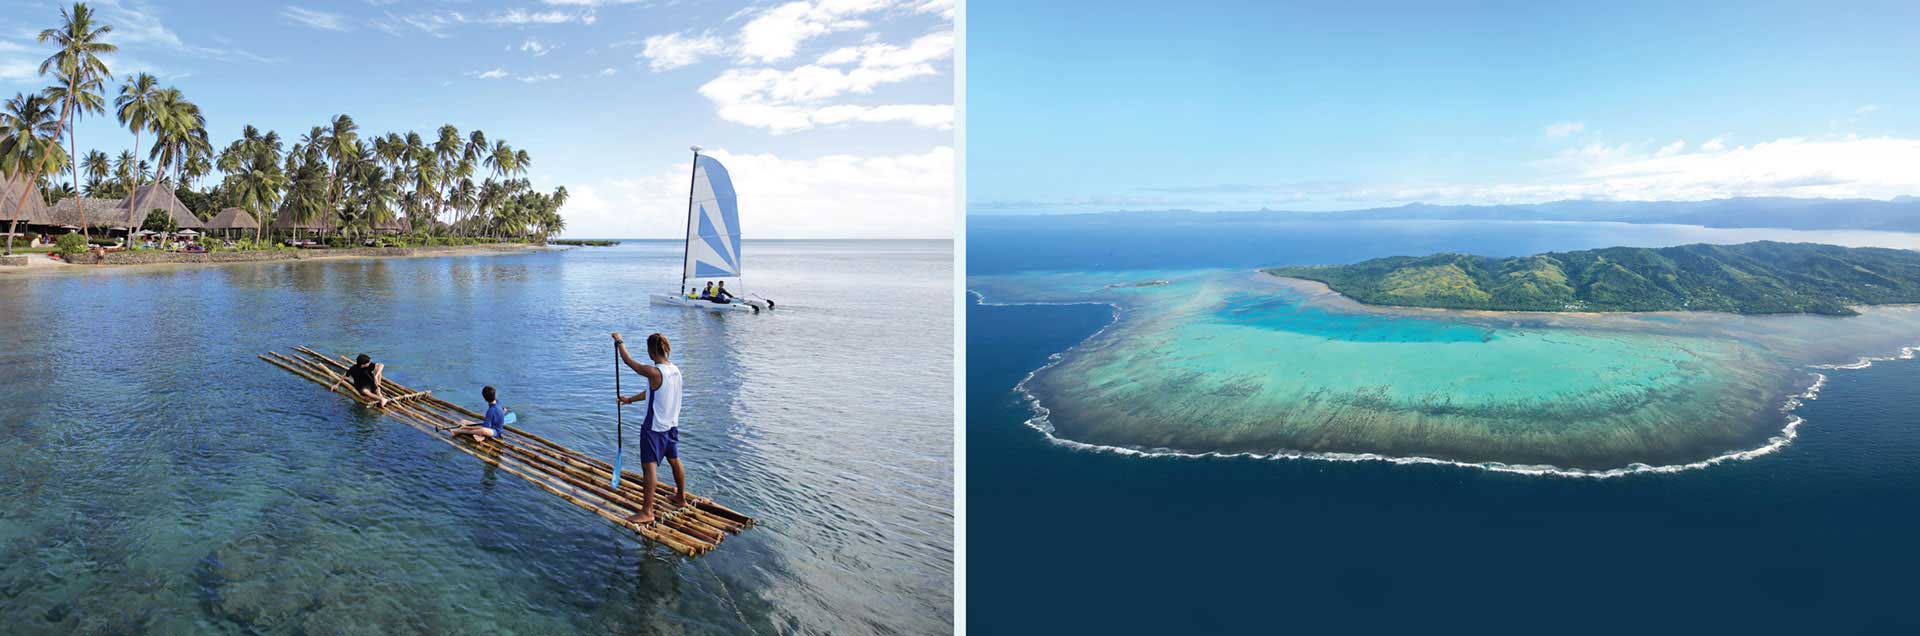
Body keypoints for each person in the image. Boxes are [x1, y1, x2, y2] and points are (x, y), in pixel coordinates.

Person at [612, 331, 689, 524]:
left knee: (649, 467)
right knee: (674, 460)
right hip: (671, 425)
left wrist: (619, 341)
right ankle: (681, 498)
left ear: (651, 351)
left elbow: (629, 362)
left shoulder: (653, 371)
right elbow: (653, 392)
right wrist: (630, 400)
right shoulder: (675, 371)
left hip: (653, 428)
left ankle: (647, 511)